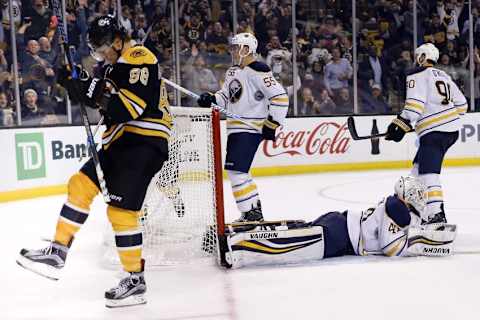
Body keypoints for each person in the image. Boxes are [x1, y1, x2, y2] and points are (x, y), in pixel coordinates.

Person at [16, 15, 172, 308]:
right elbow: (102, 99)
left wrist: (87, 87)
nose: (100, 54)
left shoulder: (139, 56)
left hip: (143, 142)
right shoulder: (115, 66)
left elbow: (130, 108)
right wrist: (74, 82)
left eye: (103, 48)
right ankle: (58, 251)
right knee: (79, 185)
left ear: (117, 40)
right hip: (120, 142)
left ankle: (135, 280)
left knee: (121, 212)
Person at [220, 176, 457, 269]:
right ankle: (237, 246)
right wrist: (425, 243)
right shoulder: (398, 208)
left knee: (294, 232)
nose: (422, 199)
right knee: (289, 245)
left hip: (339, 225)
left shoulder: (397, 206)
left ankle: (233, 233)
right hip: (340, 235)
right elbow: (392, 248)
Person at [197, 32, 289, 222]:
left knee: (236, 171)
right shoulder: (232, 72)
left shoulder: (259, 70)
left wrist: (272, 124)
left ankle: (250, 213)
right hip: (235, 129)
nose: (232, 51)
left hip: (249, 128)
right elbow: (225, 98)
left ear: (247, 49)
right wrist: (211, 99)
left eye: (236, 47)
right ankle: (253, 210)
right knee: (239, 172)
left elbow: (280, 98)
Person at [385, 43, 467, 224]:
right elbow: (462, 106)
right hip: (450, 130)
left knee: (429, 173)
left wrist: (400, 123)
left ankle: (436, 214)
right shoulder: (444, 75)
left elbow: (415, 105)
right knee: (417, 168)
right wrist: (437, 117)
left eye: (418, 56)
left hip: (434, 133)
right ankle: (413, 206)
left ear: (422, 57)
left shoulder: (416, 74)